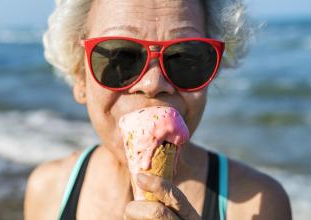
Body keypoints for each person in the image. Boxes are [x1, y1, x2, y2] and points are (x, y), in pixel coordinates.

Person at [24, 0, 292, 219]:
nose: (153, 84)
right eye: (121, 57)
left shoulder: (258, 203)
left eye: (185, 57)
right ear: (79, 74)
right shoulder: (49, 190)